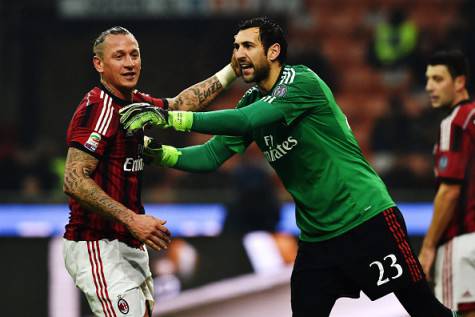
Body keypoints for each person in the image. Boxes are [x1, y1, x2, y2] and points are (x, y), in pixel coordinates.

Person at [119, 17, 458, 317]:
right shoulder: (251, 100)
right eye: (235, 47)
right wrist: (157, 152)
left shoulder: (301, 82)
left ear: (274, 51)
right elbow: (211, 156)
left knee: (423, 310)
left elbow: (245, 120)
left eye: (249, 45)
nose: (239, 54)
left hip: (366, 219)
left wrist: (170, 118)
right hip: (317, 239)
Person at [62, 26, 237, 317]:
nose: (130, 63)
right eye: (119, 56)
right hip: (96, 242)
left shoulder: (135, 103)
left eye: (134, 55)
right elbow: (73, 180)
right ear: (99, 64)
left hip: (127, 242)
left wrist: (232, 70)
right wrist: (133, 219)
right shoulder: (98, 109)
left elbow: (182, 104)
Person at [419, 50, 475, 317]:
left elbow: (449, 191)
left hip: (463, 243)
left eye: (438, 79)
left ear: (460, 82)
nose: (430, 86)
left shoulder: (454, 123)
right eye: (428, 79)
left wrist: (428, 247)